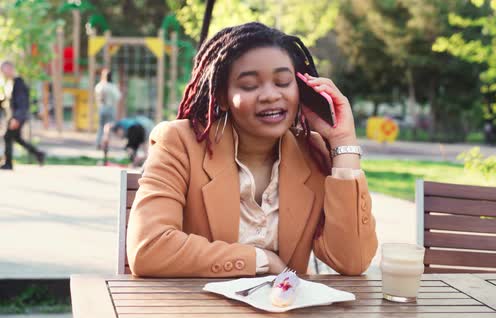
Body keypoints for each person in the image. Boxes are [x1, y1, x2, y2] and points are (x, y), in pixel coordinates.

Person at [127, 22, 377, 278]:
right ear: (222, 97)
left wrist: (343, 142)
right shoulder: (179, 143)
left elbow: (352, 261)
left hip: (286, 314)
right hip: (198, 311)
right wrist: (261, 261)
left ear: (299, 90)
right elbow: (149, 248)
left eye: (282, 82)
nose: (270, 95)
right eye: (249, 85)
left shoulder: (312, 153)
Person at [1, 61, 45, 170]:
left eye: (4, 70)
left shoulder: (18, 83)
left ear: (10, 69)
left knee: (8, 136)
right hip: (17, 116)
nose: (2, 73)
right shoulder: (12, 83)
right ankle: (38, 154)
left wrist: (16, 118)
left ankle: (8, 163)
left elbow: (22, 103)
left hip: (18, 116)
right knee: (16, 138)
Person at [95, 68, 121, 149]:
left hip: (102, 108)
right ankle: (106, 144)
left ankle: (98, 143)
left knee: (101, 126)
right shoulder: (112, 86)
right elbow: (118, 97)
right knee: (109, 127)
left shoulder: (99, 86)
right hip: (110, 108)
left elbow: (96, 95)